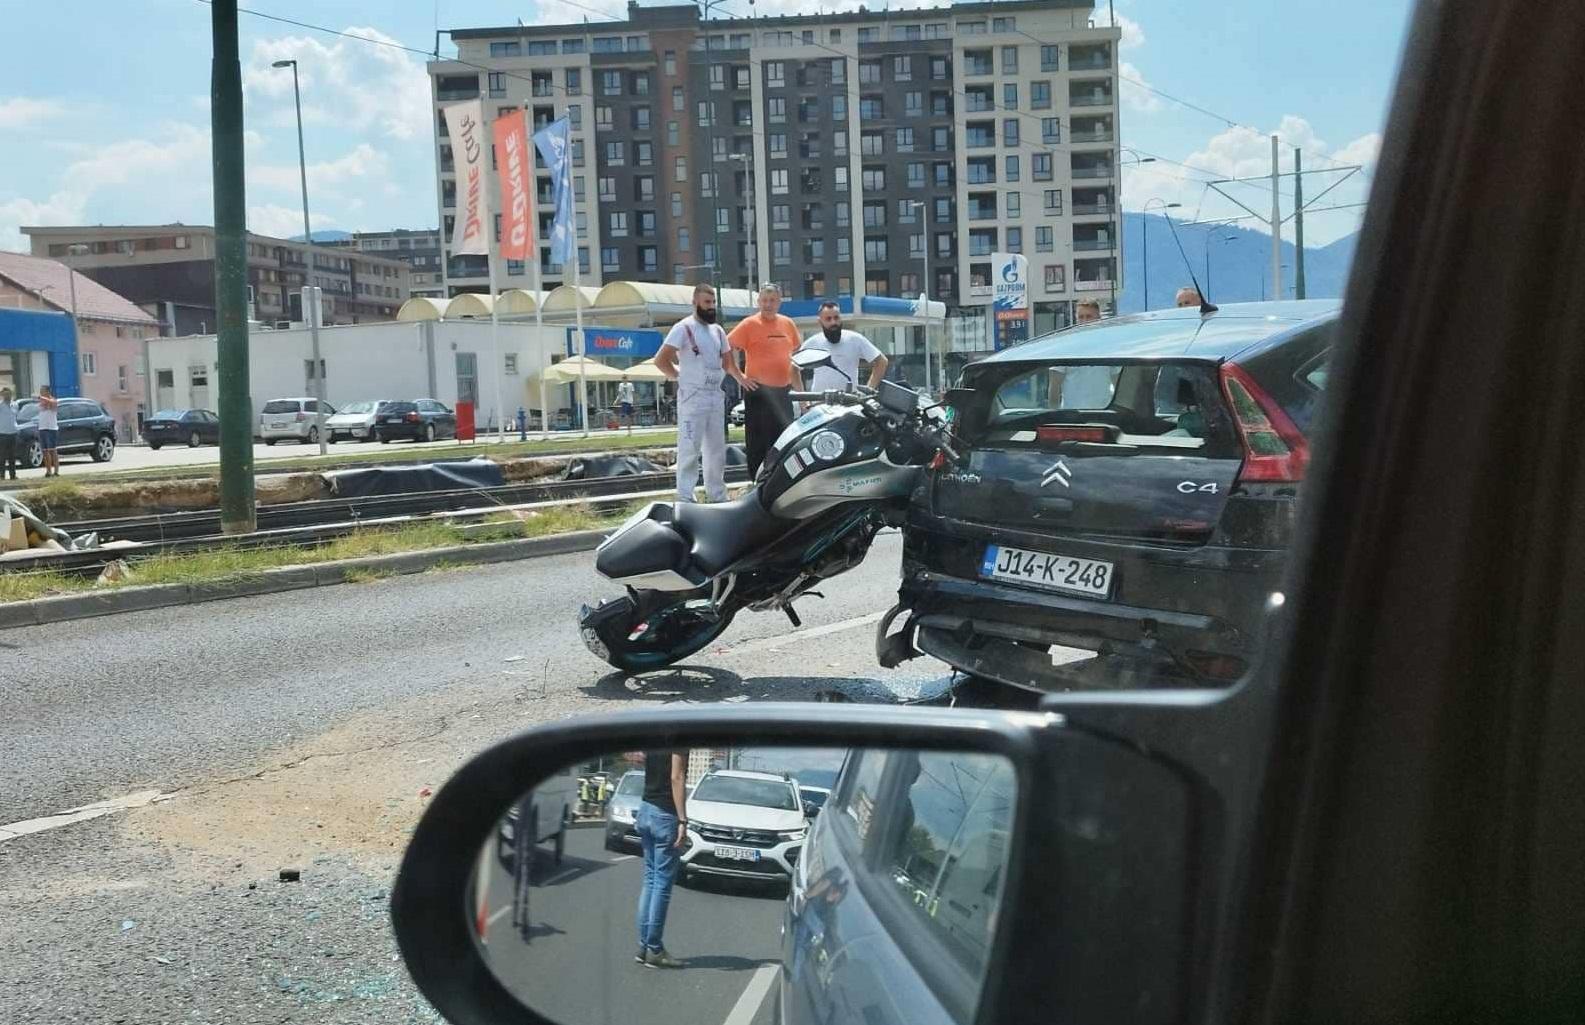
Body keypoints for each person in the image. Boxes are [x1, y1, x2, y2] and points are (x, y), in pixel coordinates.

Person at [655, 284, 731, 503]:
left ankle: (717, 495)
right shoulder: (683, 328)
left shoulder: (717, 331)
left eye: (713, 302)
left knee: (716, 450)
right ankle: (685, 496)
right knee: (689, 448)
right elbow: (661, 359)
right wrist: (679, 376)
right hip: (693, 398)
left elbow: (727, 360)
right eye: (707, 302)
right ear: (695, 302)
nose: (711, 307)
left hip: (714, 396)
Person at [726, 283, 800, 478]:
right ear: (758, 302)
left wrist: (800, 393)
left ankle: (781, 480)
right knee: (758, 442)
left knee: (785, 439)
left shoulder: (788, 323)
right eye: (764, 301)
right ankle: (757, 483)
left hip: (783, 392)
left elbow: (796, 356)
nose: (768, 304)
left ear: (779, 302)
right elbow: (726, 347)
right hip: (758, 391)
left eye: (772, 300)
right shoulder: (749, 324)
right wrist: (738, 376)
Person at [634, 749, 688, 969]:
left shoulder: (656, 730)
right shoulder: (682, 736)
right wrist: (683, 820)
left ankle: (643, 946)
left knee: (649, 880)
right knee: (662, 885)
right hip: (665, 814)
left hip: (645, 809)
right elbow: (676, 776)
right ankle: (654, 949)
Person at [801, 301, 890, 393]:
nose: (833, 322)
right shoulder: (813, 343)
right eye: (828, 319)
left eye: (836, 318)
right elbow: (793, 368)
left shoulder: (855, 339)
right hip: (819, 403)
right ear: (820, 322)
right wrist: (803, 402)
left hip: (851, 403)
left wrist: (868, 390)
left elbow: (882, 361)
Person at [35, 385, 59, 478]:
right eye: (40, 391)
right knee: (45, 451)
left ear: (48, 392)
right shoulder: (41, 403)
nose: (41, 392)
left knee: (52, 450)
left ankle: (56, 471)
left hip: (51, 429)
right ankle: (48, 471)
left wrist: (41, 398)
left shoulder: (53, 400)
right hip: (42, 428)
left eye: (43, 391)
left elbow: (53, 403)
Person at [0, 387, 18, 480]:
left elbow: (15, 417)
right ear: (2, 395)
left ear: (11, 394)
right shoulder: (0, 405)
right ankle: (2, 475)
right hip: (2, 433)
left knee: (12, 456)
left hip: (13, 433)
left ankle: (13, 475)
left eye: (8, 394)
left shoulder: (15, 404)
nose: (7, 396)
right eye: (5, 394)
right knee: (2, 456)